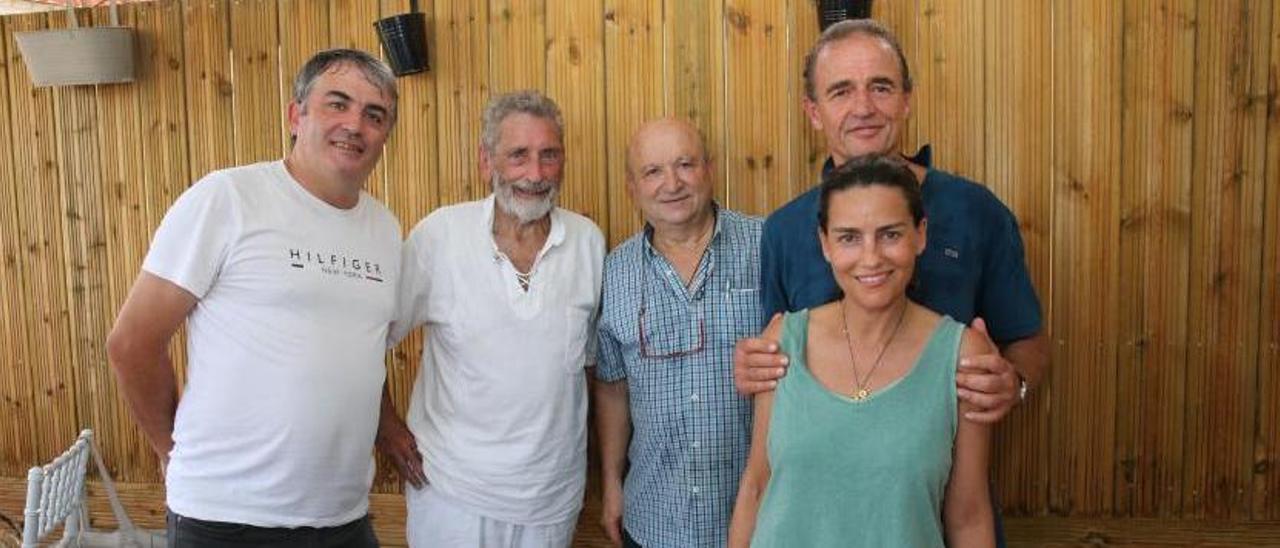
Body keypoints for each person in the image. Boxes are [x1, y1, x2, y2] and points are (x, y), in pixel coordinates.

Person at [106, 49, 399, 546]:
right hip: (226, 519)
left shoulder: (386, 230)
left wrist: (387, 423)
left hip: (343, 517)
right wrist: (168, 448)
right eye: (338, 104)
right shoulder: (228, 199)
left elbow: (363, 348)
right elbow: (132, 341)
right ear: (295, 114)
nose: (355, 124)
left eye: (375, 115)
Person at [736, 18, 1048, 426]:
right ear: (813, 112)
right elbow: (776, 356)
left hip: (945, 478)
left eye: (880, 87)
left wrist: (1016, 382)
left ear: (906, 100)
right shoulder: (783, 230)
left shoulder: (975, 211)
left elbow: (1028, 338)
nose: (863, 108)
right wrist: (755, 367)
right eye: (841, 91)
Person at [728, 155, 994, 547]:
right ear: (825, 245)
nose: (871, 257)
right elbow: (756, 485)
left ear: (921, 235)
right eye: (849, 237)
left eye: (890, 234)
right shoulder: (783, 340)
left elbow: (968, 517)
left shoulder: (961, 355)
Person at [380, 90, 605, 548]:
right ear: (487, 162)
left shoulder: (587, 242)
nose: (535, 174)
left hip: (550, 500)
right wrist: (385, 427)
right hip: (451, 493)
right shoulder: (439, 236)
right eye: (518, 155)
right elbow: (367, 338)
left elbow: (595, 368)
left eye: (549, 155)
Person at [594, 119, 762, 547]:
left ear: (709, 168)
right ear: (632, 187)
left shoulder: (767, 246)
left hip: (760, 521)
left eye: (685, 164)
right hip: (654, 521)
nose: (672, 183)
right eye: (652, 172)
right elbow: (613, 387)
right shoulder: (615, 271)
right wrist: (612, 483)